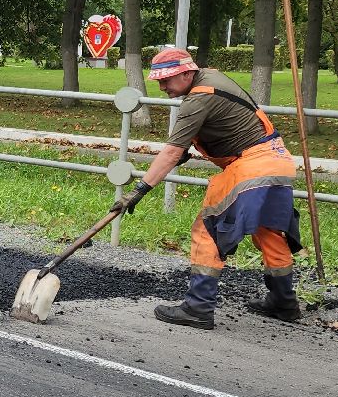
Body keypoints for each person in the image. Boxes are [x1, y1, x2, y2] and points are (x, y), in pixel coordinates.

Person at [119, 46, 304, 329]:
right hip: (277, 162)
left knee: (208, 230)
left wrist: (139, 191)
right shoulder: (211, 79)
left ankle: (198, 307)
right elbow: (219, 125)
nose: (162, 87)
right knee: (269, 232)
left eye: (166, 80)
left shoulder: (198, 98)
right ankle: (284, 302)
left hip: (250, 166)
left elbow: (171, 152)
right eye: (159, 81)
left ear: (187, 73)